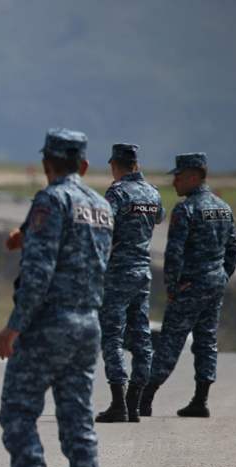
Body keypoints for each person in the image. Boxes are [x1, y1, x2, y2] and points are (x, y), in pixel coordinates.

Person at [0, 128, 112, 467]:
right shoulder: (101, 206)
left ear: (47, 163)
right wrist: (26, 235)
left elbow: (39, 272)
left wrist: (14, 327)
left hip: (50, 324)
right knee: (78, 419)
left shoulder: (51, 200)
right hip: (88, 324)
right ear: (85, 164)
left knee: (17, 414)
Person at [140, 153, 236, 418]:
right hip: (214, 285)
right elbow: (233, 249)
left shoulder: (186, 210)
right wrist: (221, 276)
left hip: (190, 286)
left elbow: (174, 254)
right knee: (206, 340)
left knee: (170, 341)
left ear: (194, 176)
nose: (175, 182)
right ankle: (201, 399)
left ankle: (145, 398)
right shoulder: (223, 208)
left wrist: (172, 288)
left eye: (179, 176)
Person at [95, 144, 164, 424]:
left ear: (116, 164)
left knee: (112, 335)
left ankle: (118, 403)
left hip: (118, 272)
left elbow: (102, 225)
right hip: (142, 272)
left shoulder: (117, 192)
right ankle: (134, 403)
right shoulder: (153, 193)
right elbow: (158, 217)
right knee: (141, 337)